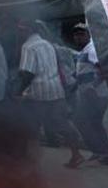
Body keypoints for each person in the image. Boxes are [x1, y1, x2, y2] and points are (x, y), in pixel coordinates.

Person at [16, 20, 85, 168]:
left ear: (27, 30)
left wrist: (18, 92)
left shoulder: (28, 46)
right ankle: (76, 154)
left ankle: (30, 160)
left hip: (38, 93)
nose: (19, 33)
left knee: (30, 125)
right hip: (55, 90)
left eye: (20, 30)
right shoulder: (48, 45)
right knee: (63, 123)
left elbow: (27, 73)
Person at [71, 23, 108, 164]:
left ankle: (102, 153)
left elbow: (103, 69)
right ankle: (102, 153)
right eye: (76, 35)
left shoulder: (91, 50)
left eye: (81, 34)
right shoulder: (84, 51)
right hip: (89, 93)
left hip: (97, 94)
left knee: (85, 121)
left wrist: (93, 87)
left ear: (88, 35)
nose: (78, 37)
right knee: (91, 122)